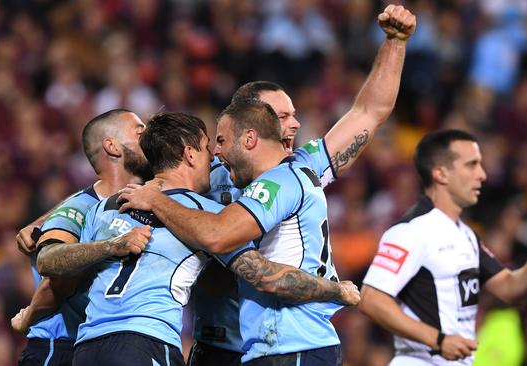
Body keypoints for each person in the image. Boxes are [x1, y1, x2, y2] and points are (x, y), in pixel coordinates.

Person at [35, 112, 359, 365]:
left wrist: (104, 247)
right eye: (208, 150)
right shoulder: (202, 213)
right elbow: (262, 275)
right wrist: (336, 290)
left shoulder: (105, 206)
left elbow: (52, 264)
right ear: (190, 154)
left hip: (87, 346)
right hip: (147, 341)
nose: (215, 158)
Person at [192, 5, 417, 364]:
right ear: (251, 126)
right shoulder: (202, 176)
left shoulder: (301, 168)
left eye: (294, 114)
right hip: (219, 345)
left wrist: (395, 42)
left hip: (283, 342)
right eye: (283, 117)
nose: (296, 125)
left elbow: (369, 112)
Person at [357, 129, 527, 365]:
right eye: (472, 165)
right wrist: (438, 340)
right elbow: (371, 298)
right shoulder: (411, 231)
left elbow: (511, 289)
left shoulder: (465, 235)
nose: (482, 174)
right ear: (440, 173)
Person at [11, 109, 152, 366]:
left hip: (103, 346)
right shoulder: (77, 210)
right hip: (58, 346)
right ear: (112, 146)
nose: (150, 138)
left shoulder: (146, 199)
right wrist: (29, 315)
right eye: (140, 132)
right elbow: (56, 279)